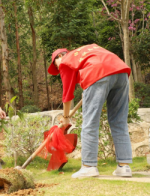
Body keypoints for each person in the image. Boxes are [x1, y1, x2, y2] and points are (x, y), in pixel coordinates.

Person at [48, 44, 133, 178]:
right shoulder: (85, 51)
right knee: (119, 122)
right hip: (121, 70)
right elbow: (101, 62)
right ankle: (124, 166)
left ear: (59, 56)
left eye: (57, 66)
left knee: (89, 122)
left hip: (97, 73)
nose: (59, 70)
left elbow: (67, 95)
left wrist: (65, 117)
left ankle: (88, 166)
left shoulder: (66, 61)